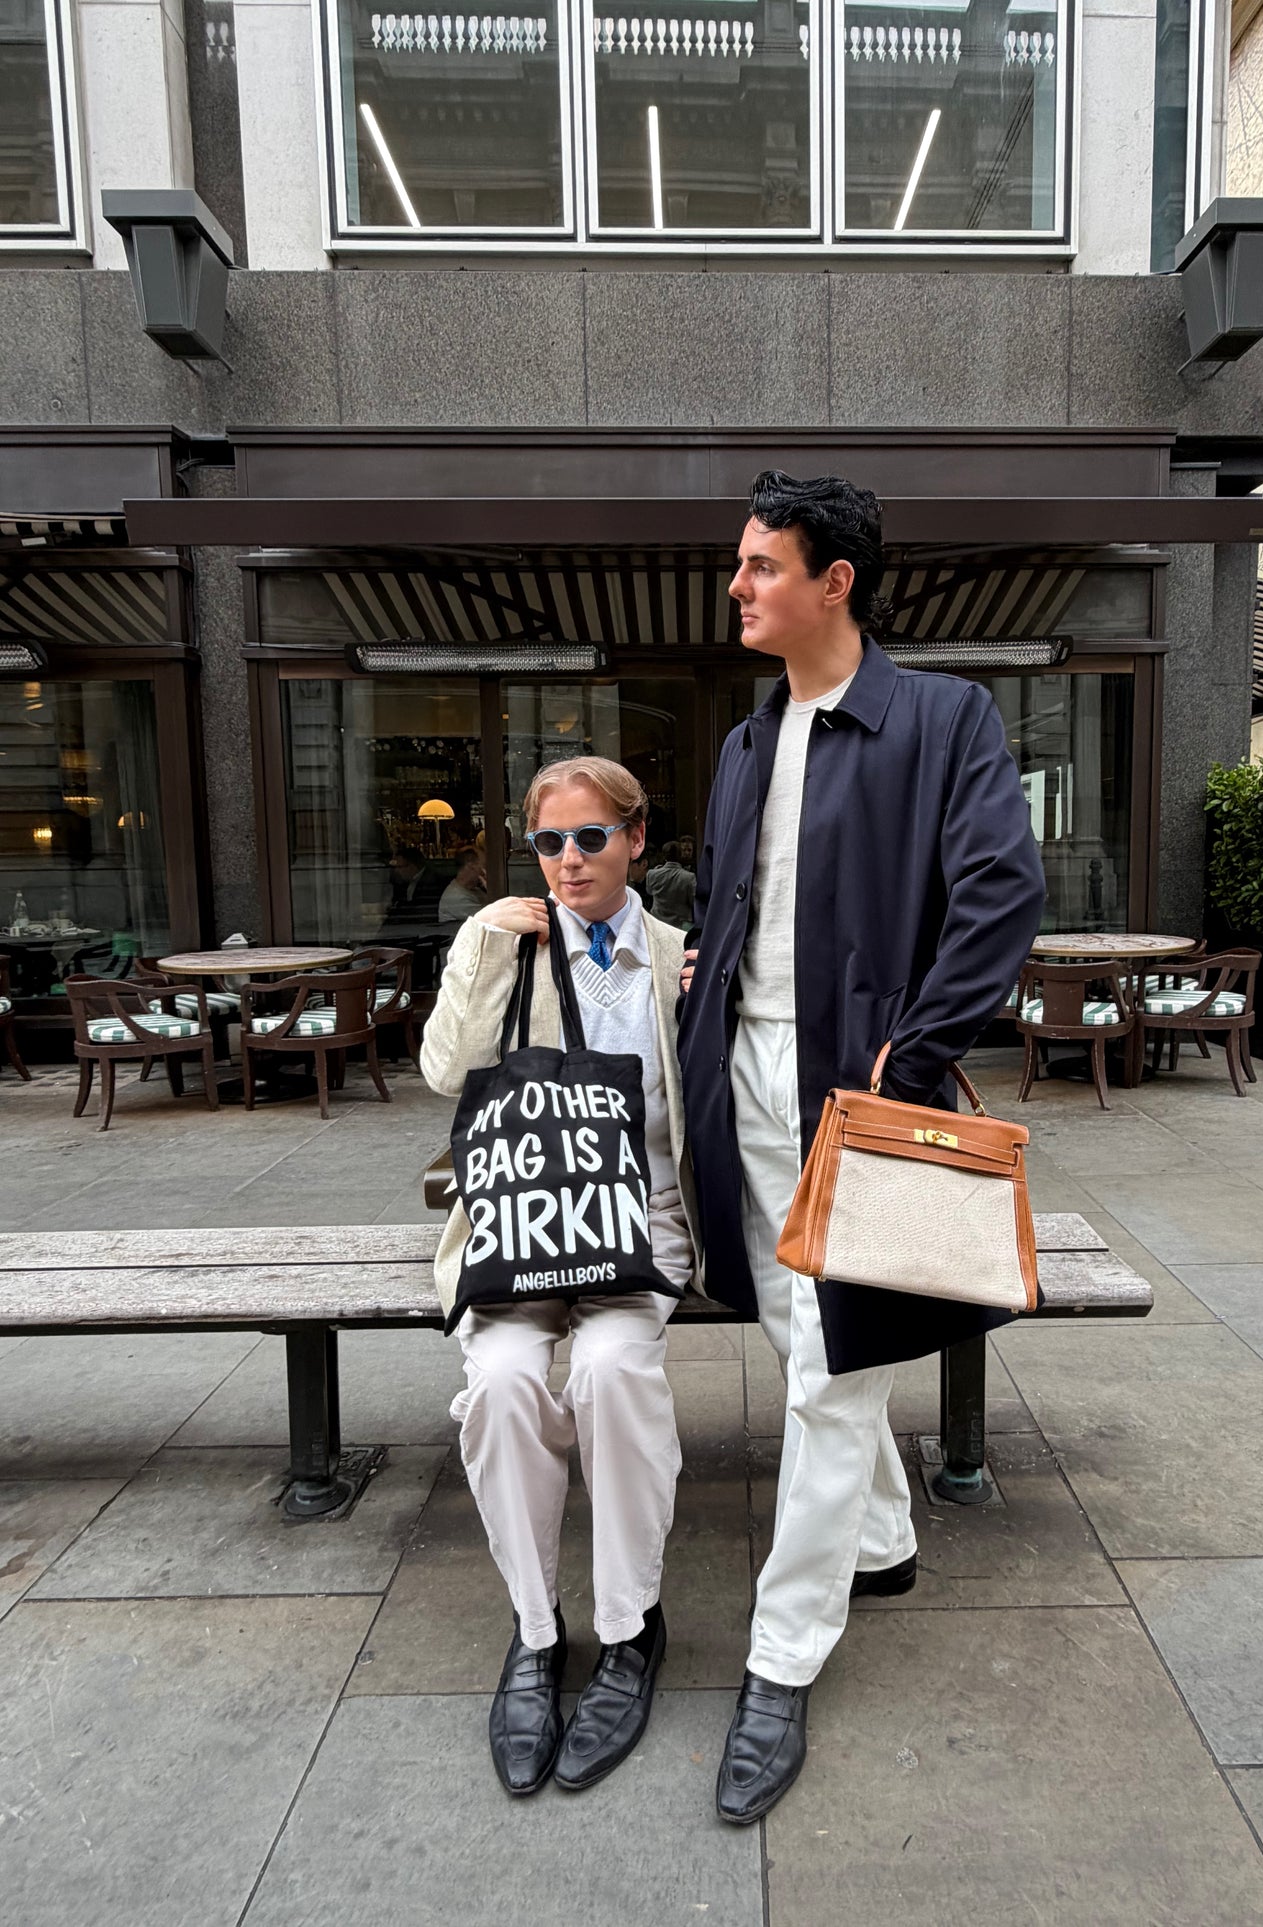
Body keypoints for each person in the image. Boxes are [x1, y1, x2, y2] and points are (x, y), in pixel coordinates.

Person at [678, 471, 1045, 1825]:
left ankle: (781, 1657)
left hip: (865, 1090)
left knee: (831, 1364)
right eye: (740, 563)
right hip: (747, 1084)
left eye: (761, 565)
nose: (738, 586)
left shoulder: (941, 717)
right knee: (795, 1324)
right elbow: (737, 905)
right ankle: (881, 1538)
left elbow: (1002, 891)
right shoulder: (739, 741)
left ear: (835, 580)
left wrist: (918, 1036)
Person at [420, 755, 699, 1799]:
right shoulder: (502, 937)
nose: (569, 860)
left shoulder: (674, 953)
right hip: (524, 1222)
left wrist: (700, 994)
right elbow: (446, 1071)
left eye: (590, 837)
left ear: (634, 837)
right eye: (549, 842)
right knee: (497, 1383)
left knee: (614, 1368)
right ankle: (537, 1635)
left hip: (640, 1220)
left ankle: (629, 1629)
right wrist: (490, 947)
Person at [383, 845, 446, 930]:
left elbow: (424, 911)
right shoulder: (404, 882)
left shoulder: (432, 883)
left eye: (400, 867)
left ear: (412, 866)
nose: (396, 871)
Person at [644, 840, 696, 930]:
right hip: (680, 925)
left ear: (664, 856)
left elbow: (649, 891)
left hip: (656, 922)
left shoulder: (652, 874)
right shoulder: (689, 877)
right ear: (680, 855)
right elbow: (693, 901)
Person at [439, 845, 488, 924]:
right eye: (484, 865)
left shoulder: (475, 890)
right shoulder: (456, 897)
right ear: (471, 865)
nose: (486, 871)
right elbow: (491, 919)